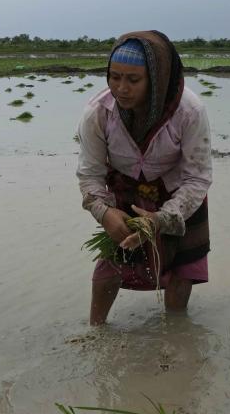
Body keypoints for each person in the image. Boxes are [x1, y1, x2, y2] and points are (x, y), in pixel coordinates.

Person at [77, 31, 212, 324]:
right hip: (125, 192)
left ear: (156, 79)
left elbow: (198, 177)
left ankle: (176, 331)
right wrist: (104, 212)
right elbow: (90, 174)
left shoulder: (189, 111)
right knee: (111, 264)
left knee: (182, 268)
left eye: (133, 80)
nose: (121, 89)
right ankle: (96, 331)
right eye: (114, 77)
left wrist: (162, 219)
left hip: (179, 195)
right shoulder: (98, 112)